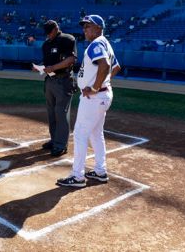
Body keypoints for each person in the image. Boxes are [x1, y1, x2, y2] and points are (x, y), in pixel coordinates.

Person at [57, 15, 120, 187]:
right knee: (96, 134)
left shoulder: (97, 43)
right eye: (84, 27)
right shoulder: (105, 43)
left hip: (94, 97)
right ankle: (100, 171)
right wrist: (102, 84)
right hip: (102, 95)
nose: (85, 29)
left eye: (88, 26)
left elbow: (106, 65)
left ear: (99, 28)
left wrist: (95, 87)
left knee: (80, 134)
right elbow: (116, 67)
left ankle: (77, 176)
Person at [34, 20, 77, 156]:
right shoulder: (46, 45)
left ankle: (61, 145)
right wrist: (40, 67)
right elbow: (47, 64)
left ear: (56, 28)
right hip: (50, 81)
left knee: (61, 113)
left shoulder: (67, 39)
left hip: (64, 81)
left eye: (50, 32)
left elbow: (71, 60)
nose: (48, 35)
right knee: (51, 113)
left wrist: (53, 68)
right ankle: (54, 140)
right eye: (46, 33)